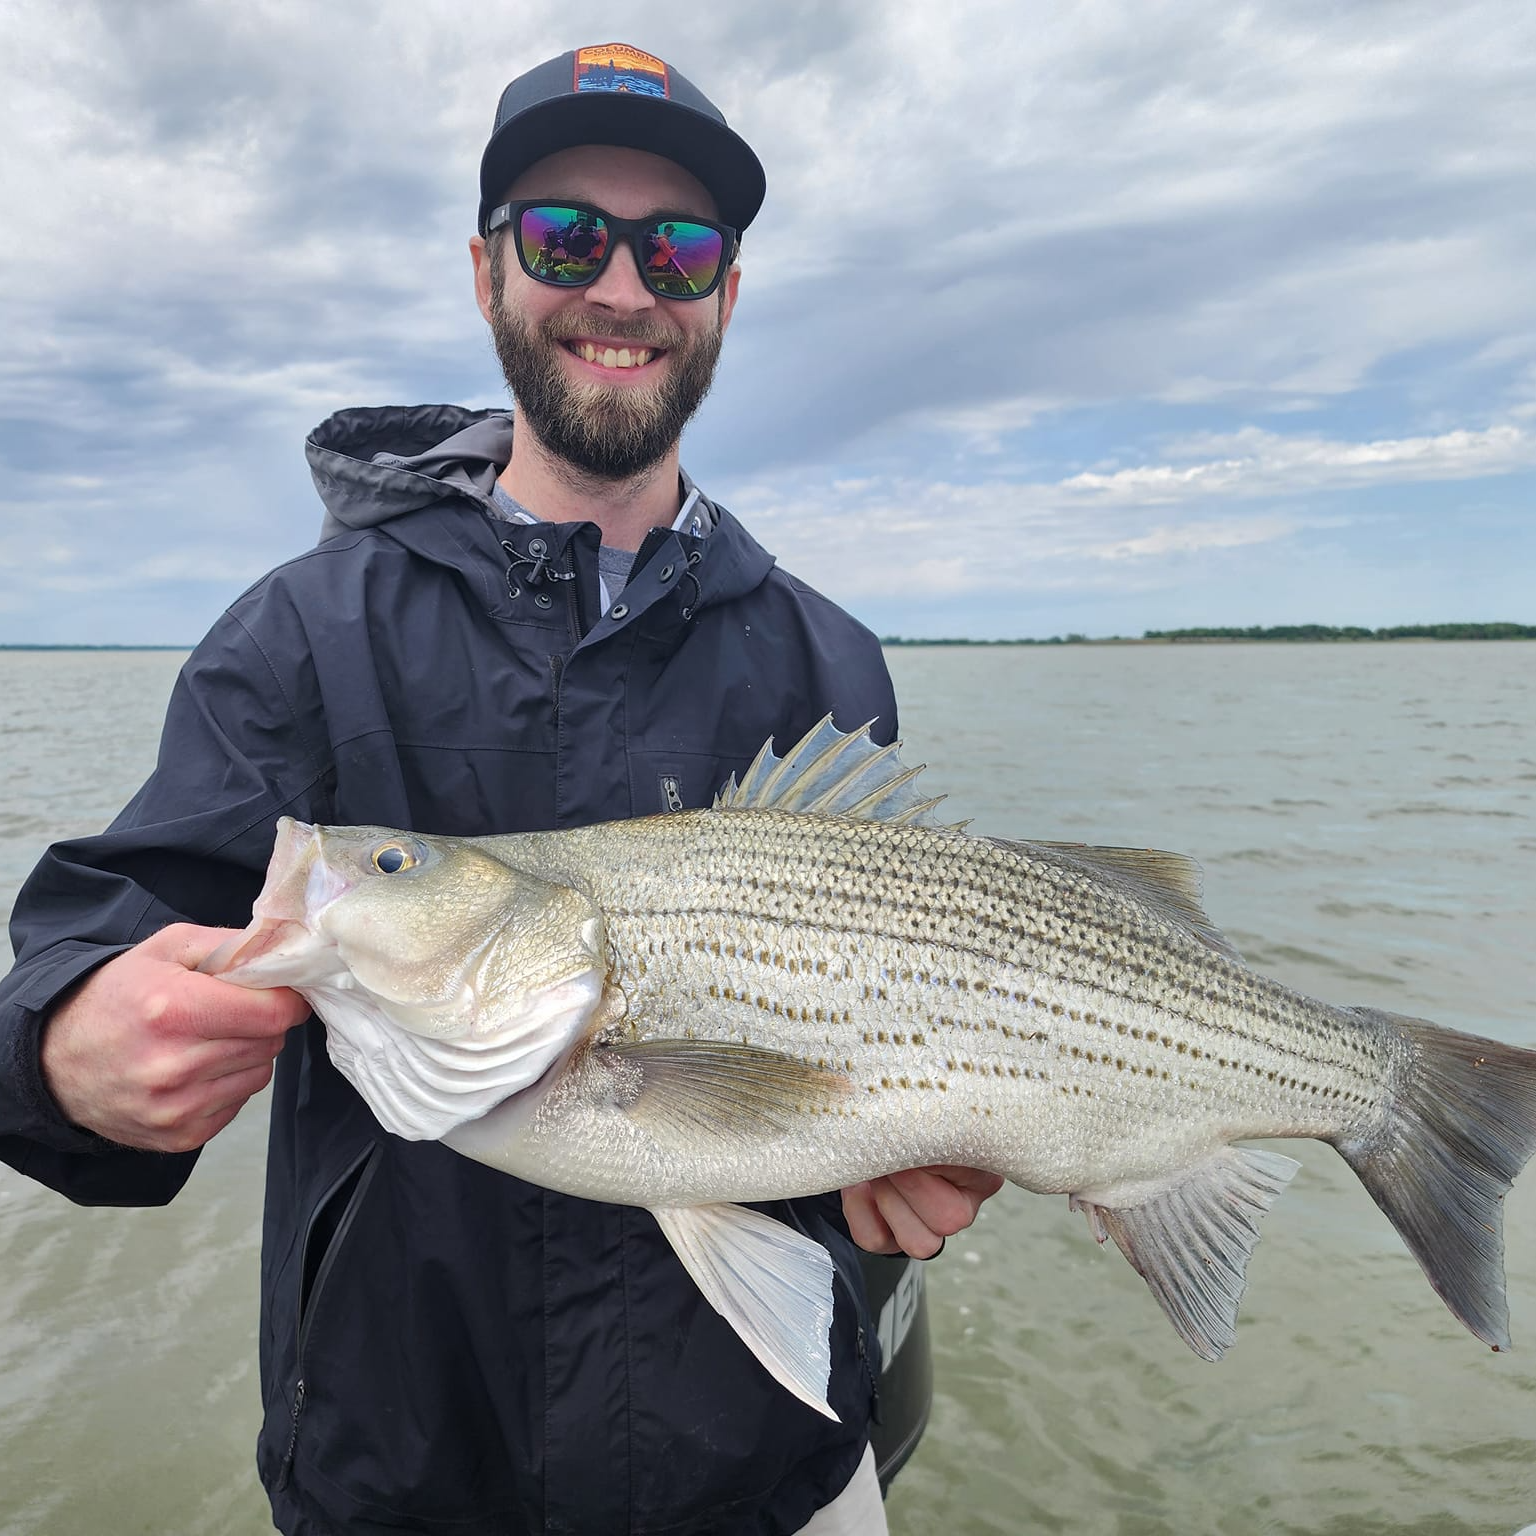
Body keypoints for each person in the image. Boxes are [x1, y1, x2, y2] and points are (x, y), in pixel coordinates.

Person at [0, 42, 1000, 1536]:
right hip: (406, 1479)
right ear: (486, 275)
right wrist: (65, 1051)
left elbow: (876, 1032)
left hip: (774, 1477)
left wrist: (911, 1162)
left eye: (677, 247)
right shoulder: (303, 632)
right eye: (563, 236)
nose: (621, 287)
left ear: (727, 292)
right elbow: (104, 934)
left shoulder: (830, 652)